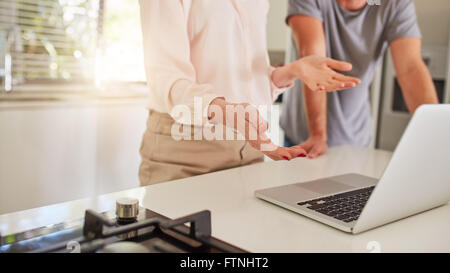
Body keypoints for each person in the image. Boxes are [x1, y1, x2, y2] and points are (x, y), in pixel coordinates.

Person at [138, 0, 360, 186]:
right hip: (186, 151)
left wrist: (291, 71)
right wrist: (224, 111)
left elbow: (247, 81)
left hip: (249, 150)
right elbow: (166, 79)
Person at [281, 0, 439, 159]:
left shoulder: (395, 3)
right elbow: (313, 60)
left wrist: (437, 135)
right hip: (304, 139)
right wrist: (317, 135)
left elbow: (410, 69)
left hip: (356, 140)